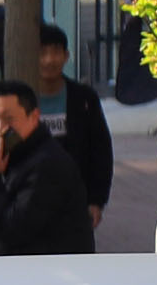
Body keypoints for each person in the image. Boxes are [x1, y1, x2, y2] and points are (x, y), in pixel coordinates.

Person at [0, 76, 94, 255]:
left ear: (34, 117)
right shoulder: (12, 155)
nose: (0, 129)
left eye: (9, 120)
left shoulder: (48, 164)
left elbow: (13, 227)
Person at [39, 22, 113, 233]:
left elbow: (101, 151)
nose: (49, 60)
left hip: (75, 202)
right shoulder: (21, 99)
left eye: (55, 52)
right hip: (32, 202)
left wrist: (97, 201)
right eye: (42, 52)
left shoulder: (84, 99)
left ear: (66, 56)